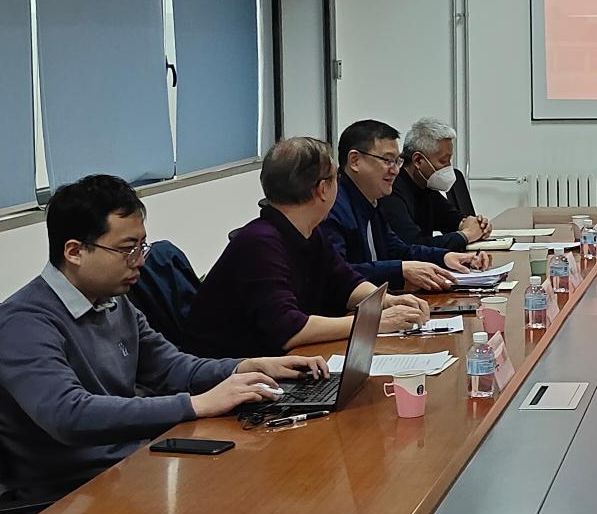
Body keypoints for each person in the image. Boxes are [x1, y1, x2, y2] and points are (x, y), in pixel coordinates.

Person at [0, 175, 327, 504]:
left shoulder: (113, 302)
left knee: (275, 472)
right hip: (75, 496)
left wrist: (247, 366)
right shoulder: (22, 324)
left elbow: (171, 368)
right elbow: (70, 415)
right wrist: (196, 405)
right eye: (127, 249)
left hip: (135, 465)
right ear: (74, 252)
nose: (140, 262)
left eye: (141, 247)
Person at [184, 136, 429, 358]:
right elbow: (289, 330)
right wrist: (374, 321)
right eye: (335, 179)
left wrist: (386, 301)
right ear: (323, 189)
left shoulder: (309, 232)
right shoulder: (259, 243)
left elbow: (344, 282)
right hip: (229, 374)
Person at [319, 118, 486, 293]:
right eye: (387, 160)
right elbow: (338, 275)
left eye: (397, 161)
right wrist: (400, 270)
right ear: (355, 161)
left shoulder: (371, 200)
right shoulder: (332, 207)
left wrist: (445, 257)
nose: (395, 170)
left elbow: (398, 250)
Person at [386, 116, 490, 248]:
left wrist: (477, 225)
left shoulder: (426, 188)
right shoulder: (392, 192)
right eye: (443, 161)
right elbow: (414, 245)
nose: (448, 167)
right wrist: (466, 235)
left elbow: (452, 219)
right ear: (418, 160)